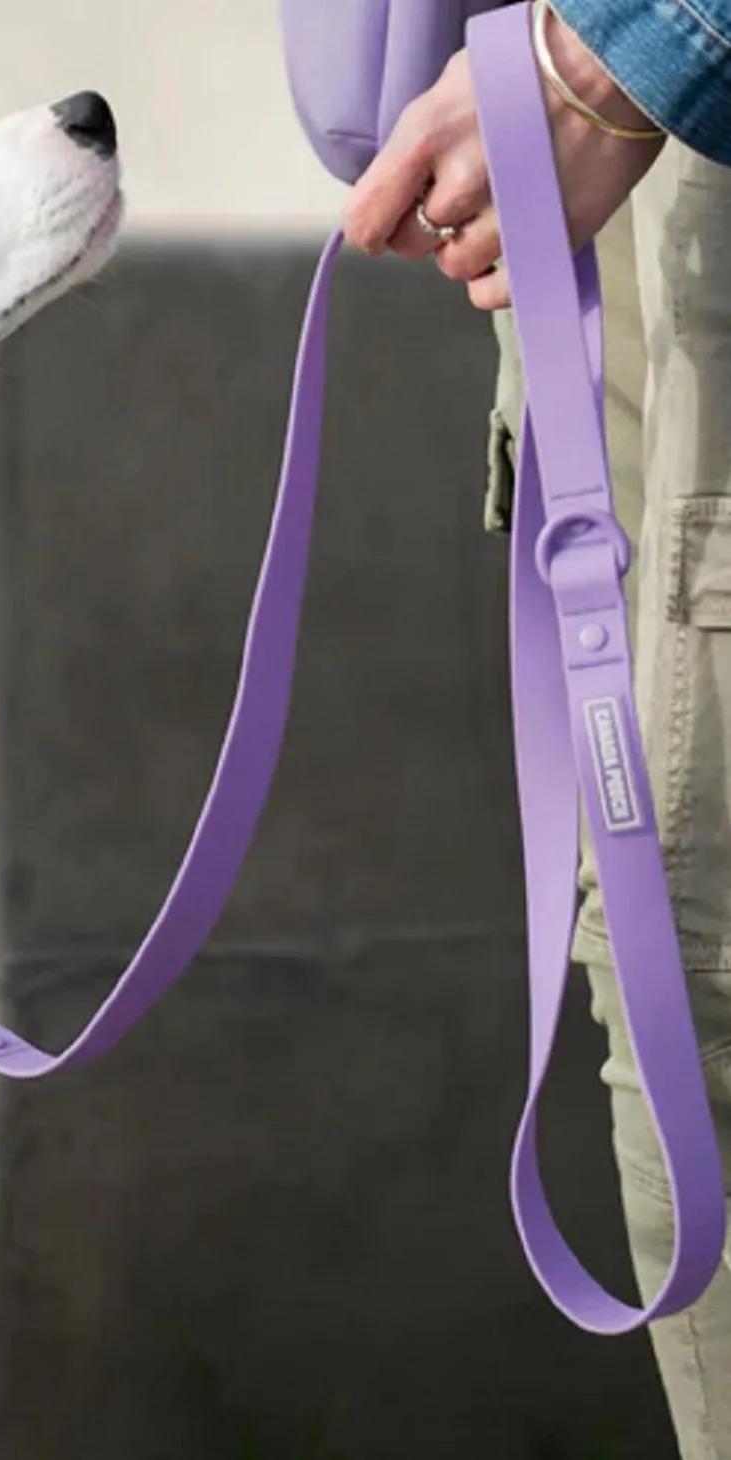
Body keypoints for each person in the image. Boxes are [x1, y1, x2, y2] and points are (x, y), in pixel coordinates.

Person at [343, 3, 731, 1455]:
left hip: (657, 112)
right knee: (661, 970)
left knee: (696, 966)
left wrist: (621, 57)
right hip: (612, 179)